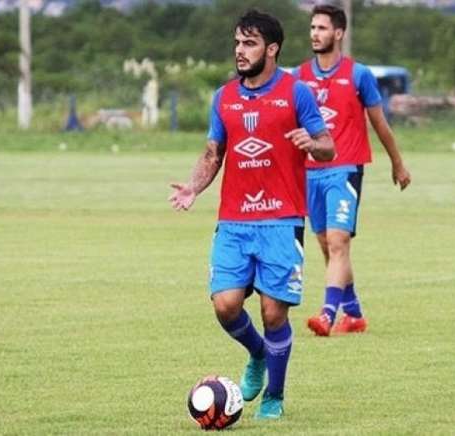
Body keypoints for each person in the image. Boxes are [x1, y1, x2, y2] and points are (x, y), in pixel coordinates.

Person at [169, 9, 333, 420]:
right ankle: (258, 355)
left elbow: (328, 145)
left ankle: (274, 397)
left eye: (250, 44)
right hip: (234, 222)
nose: (240, 52)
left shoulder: (296, 93)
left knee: (273, 312)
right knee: (225, 305)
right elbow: (213, 153)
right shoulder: (223, 97)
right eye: (237, 43)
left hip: (282, 220)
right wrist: (193, 186)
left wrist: (311, 144)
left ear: (272, 49)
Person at [297, 5, 411, 337]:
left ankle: (327, 315)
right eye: (313, 27)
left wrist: (398, 163)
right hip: (310, 172)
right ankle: (354, 312)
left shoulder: (359, 75)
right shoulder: (298, 77)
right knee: (326, 244)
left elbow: (380, 124)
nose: (315, 33)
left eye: (322, 27)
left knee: (338, 242)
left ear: (339, 33)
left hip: (345, 169)